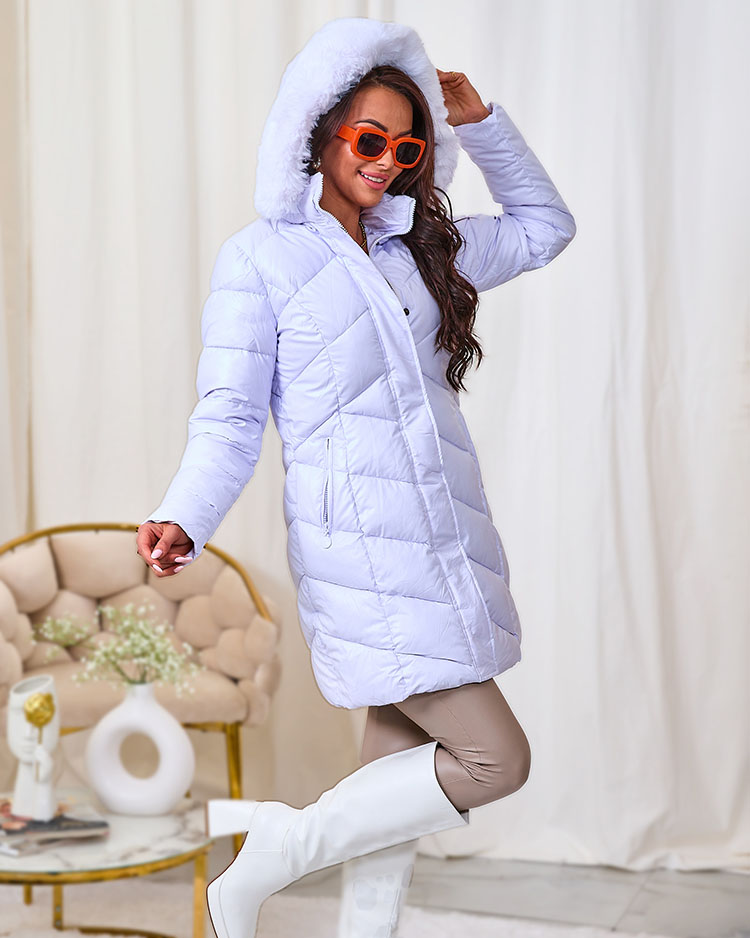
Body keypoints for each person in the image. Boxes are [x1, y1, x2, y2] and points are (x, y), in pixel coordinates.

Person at [135, 16, 575, 938]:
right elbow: (230, 415)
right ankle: (275, 852)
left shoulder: (418, 250)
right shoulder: (261, 258)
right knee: (496, 758)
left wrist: (479, 123)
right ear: (318, 131)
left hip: (444, 540)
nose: (386, 163)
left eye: (407, 148)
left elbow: (545, 229)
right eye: (369, 140)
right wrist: (185, 514)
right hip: (361, 557)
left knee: (392, 787)